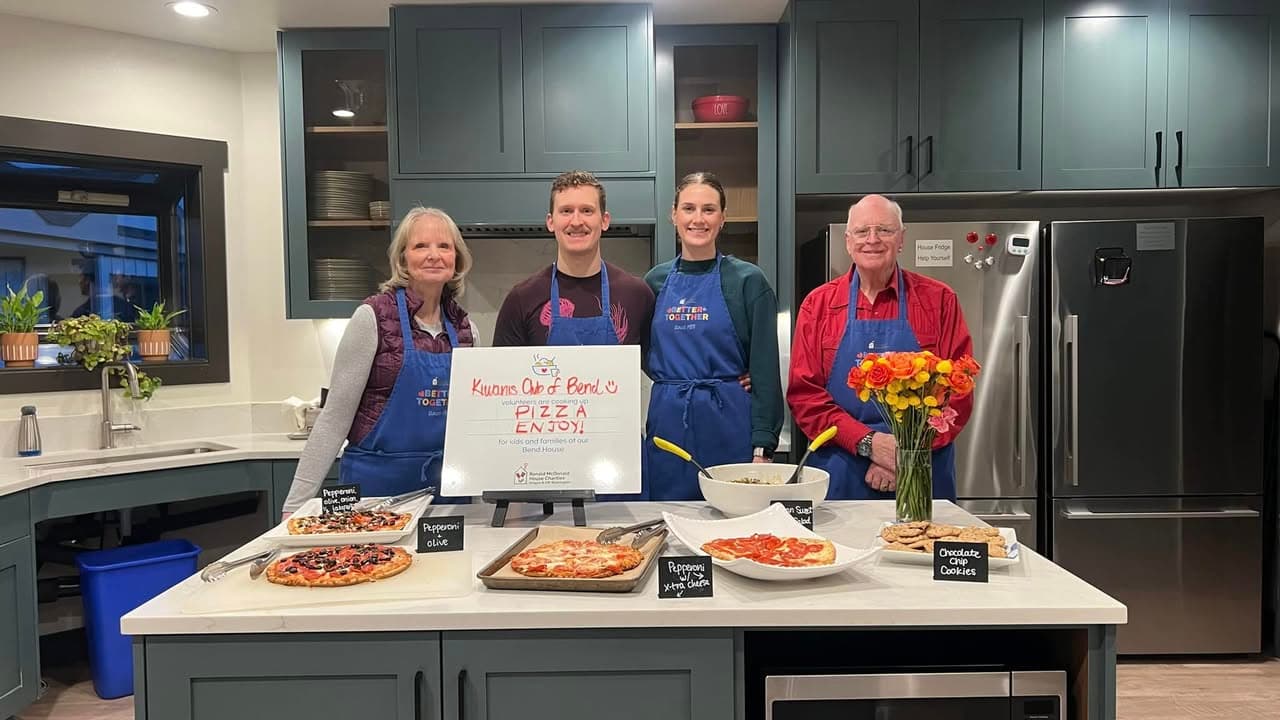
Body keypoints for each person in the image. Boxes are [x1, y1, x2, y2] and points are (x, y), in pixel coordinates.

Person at [282, 207, 477, 515]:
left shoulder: (466, 329)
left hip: (444, 494)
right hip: (374, 491)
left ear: (457, 259)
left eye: (444, 246)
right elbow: (335, 418)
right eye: (420, 246)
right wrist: (294, 505)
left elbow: (472, 425)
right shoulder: (372, 317)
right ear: (402, 259)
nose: (434, 255)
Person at [787, 194, 974, 500]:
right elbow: (805, 396)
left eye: (884, 230)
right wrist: (870, 444)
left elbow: (958, 389)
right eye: (862, 231)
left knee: (919, 547)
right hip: (841, 469)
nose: (872, 240)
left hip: (920, 466)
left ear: (901, 239)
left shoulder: (939, 300)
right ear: (848, 241)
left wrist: (904, 454)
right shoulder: (818, 305)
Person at [641, 172, 782, 500]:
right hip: (669, 424)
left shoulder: (749, 281)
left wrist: (763, 445)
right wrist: (674, 379)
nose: (698, 219)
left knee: (733, 527)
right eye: (689, 208)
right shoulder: (653, 282)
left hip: (729, 420)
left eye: (709, 209)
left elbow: (765, 371)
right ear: (673, 215)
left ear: (723, 218)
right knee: (669, 521)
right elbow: (645, 352)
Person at [492, 170, 655, 349]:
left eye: (587, 210)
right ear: (550, 222)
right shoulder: (522, 299)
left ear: (604, 220)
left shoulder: (637, 295)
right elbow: (503, 374)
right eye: (566, 211)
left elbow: (658, 366)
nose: (576, 221)